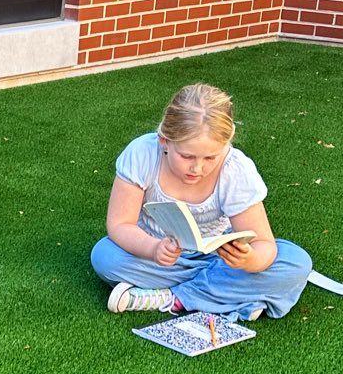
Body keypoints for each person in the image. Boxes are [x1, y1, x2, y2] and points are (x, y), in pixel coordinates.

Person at [91, 83, 312, 321]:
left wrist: (250, 260)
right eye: (186, 156)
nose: (197, 168)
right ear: (164, 140)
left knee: (296, 262)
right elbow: (120, 225)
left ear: (226, 145)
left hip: (217, 258)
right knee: (105, 256)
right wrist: (153, 249)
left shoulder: (235, 169)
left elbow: (264, 243)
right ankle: (232, 297)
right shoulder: (142, 154)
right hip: (159, 258)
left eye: (210, 157)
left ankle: (172, 298)